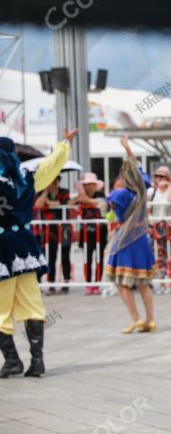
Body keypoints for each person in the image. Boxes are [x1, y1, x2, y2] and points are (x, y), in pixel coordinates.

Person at [0, 128, 78, 378]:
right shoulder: (27, 176)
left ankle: (12, 361)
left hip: (2, 249)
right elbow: (52, 164)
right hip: (26, 248)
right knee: (32, 305)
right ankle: (38, 361)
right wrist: (65, 143)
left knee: (1, 310)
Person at [105, 137, 157, 333]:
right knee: (143, 282)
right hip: (141, 237)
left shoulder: (119, 195)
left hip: (125, 239)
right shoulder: (142, 193)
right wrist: (129, 151)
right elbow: (142, 176)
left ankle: (135, 318)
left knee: (120, 280)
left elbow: (108, 207)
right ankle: (150, 319)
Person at [70, 171, 107, 295]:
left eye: (91, 184)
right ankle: (88, 283)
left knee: (99, 258)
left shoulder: (100, 194)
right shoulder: (80, 197)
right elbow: (69, 205)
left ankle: (97, 283)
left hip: (100, 231)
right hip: (86, 233)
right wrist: (78, 198)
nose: (89, 186)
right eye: (87, 184)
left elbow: (101, 203)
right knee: (87, 258)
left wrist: (86, 199)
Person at [34, 176, 73, 295]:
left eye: (54, 181)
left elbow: (65, 203)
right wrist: (45, 192)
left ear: (57, 182)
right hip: (49, 230)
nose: (52, 184)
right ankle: (51, 283)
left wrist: (50, 203)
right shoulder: (41, 193)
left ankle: (66, 283)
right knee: (50, 257)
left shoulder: (64, 192)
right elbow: (38, 205)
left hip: (64, 229)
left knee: (65, 256)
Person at [147, 166, 171, 294]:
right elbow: (147, 205)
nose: (159, 179)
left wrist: (169, 187)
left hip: (170, 225)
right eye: (157, 176)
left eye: (162, 176)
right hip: (156, 225)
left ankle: (170, 283)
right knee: (160, 254)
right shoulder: (151, 191)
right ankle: (161, 282)